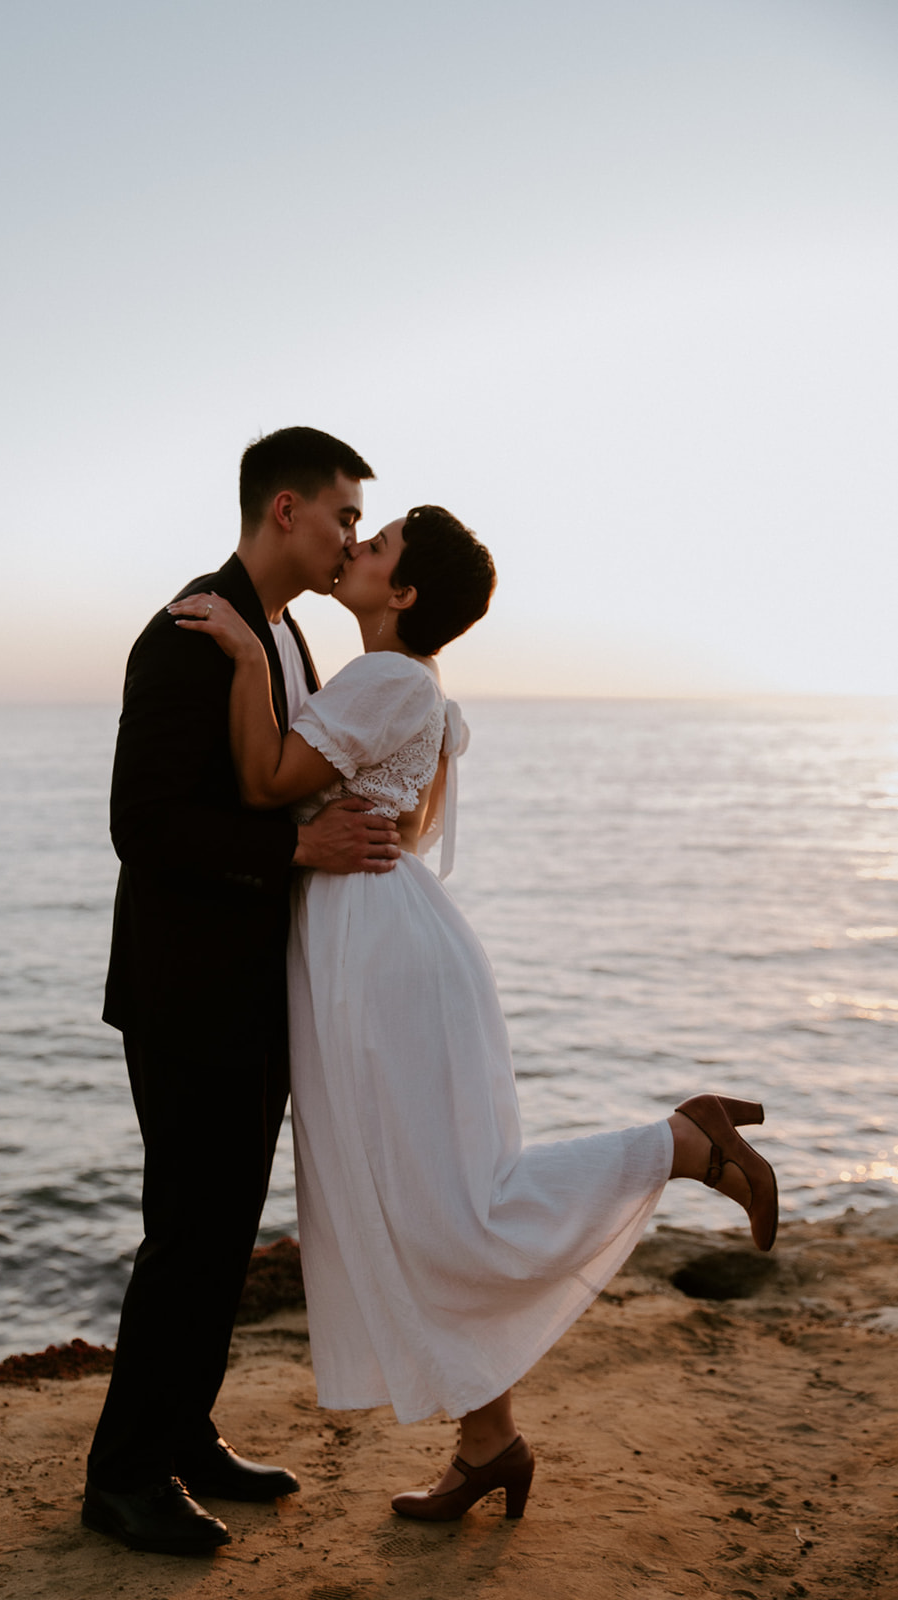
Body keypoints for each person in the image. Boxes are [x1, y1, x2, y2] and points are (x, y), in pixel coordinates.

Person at [169, 502, 779, 1524]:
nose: (359, 546)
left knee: (449, 1206)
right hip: (394, 937)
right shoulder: (414, 686)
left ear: (402, 594)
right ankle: (489, 1441)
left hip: (377, 955)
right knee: (429, 1199)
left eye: (381, 543)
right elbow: (408, 820)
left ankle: (678, 1142)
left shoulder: (385, 677)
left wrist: (242, 657)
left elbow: (269, 778)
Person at [83, 427, 403, 1557]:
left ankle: (183, 1430)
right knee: (188, 1233)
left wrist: (318, 827)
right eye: (344, 517)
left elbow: (277, 786)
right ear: (284, 509)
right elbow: (145, 824)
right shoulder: (185, 631)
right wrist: (297, 854)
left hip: (257, 987)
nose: (351, 537)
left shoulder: (289, 634)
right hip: (185, 992)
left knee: (223, 1236)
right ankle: (122, 1477)